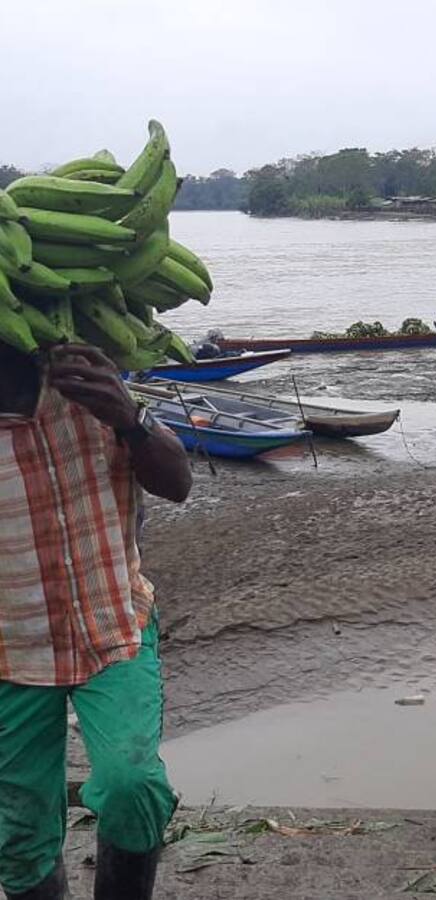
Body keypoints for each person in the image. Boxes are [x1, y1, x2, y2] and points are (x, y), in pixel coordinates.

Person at [0, 343, 192, 900]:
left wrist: (130, 417)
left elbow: (178, 483)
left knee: (134, 785)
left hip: (113, 626)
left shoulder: (90, 384)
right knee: (17, 832)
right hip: (10, 648)